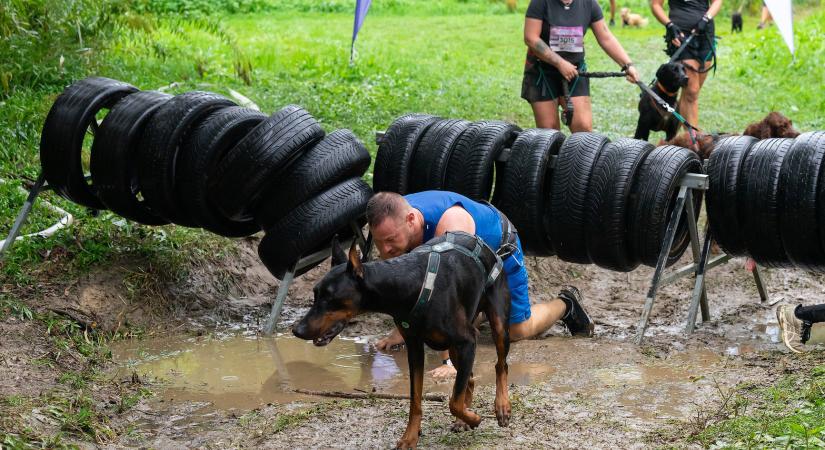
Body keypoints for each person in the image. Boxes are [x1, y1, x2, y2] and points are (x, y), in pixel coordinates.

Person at [368, 191, 594, 378]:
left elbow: (447, 295)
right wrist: (401, 330)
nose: (385, 250)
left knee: (517, 331)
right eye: (379, 242)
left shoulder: (450, 226)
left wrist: (450, 362)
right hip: (468, 264)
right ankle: (481, 311)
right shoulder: (393, 213)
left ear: (411, 220)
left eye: (390, 241)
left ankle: (566, 304)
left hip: (500, 253)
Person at [521, 0, 640, 131]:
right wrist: (560, 63)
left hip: (575, 72)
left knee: (583, 129)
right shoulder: (540, 3)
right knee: (549, 133)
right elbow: (530, 37)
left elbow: (606, 37)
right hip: (542, 72)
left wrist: (628, 65)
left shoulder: (589, 3)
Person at [651, 0, 722, 135]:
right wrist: (669, 25)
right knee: (692, 91)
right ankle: (693, 139)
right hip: (680, 35)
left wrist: (706, 18)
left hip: (705, 33)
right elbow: (655, 5)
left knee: (691, 93)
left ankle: (675, 133)